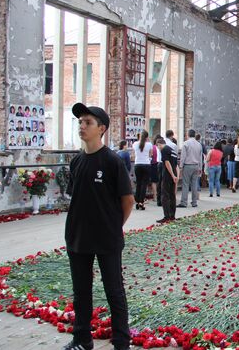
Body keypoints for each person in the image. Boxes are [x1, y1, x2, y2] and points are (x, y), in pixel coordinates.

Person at [63, 103, 133, 350]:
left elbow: (128, 200)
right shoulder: (77, 162)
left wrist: (113, 225)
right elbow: (77, 198)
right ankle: (82, 339)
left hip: (107, 238)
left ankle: (121, 342)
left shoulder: (113, 161)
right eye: (80, 122)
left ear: (101, 128)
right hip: (78, 237)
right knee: (81, 291)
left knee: (114, 290)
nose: (82, 126)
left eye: (88, 122)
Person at [178, 129, 203, 207]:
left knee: (185, 184)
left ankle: (184, 202)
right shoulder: (199, 144)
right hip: (196, 165)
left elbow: (183, 156)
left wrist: (181, 166)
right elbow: (200, 158)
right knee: (194, 184)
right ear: (194, 135)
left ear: (188, 135)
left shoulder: (186, 143)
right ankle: (194, 202)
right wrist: (200, 168)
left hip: (188, 165)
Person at [156, 137, 179, 223]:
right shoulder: (173, 151)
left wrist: (172, 175)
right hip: (174, 174)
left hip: (167, 175)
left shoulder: (164, 149)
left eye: (157, 146)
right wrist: (176, 175)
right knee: (172, 195)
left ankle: (166, 216)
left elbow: (166, 162)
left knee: (164, 195)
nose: (158, 148)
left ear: (159, 144)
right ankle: (172, 215)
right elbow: (176, 165)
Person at [132, 130, 153, 211]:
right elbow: (150, 154)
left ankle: (137, 202)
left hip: (137, 164)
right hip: (146, 164)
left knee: (138, 183)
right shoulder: (149, 144)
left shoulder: (135, 144)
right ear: (147, 137)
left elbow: (133, 155)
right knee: (144, 184)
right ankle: (141, 202)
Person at [150, 135, 162, 204]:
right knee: (159, 181)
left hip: (153, 164)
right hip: (160, 164)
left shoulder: (152, 147)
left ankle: (155, 196)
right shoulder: (160, 147)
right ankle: (159, 195)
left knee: (154, 181)